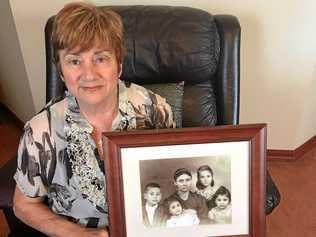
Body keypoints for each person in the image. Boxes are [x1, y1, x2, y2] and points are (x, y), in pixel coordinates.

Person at [12, 2, 175, 237]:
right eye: (74, 61)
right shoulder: (40, 132)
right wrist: (77, 234)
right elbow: (23, 205)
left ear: (118, 65)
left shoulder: (155, 110)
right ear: (61, 72)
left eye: (101, 58)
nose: (89, 74)